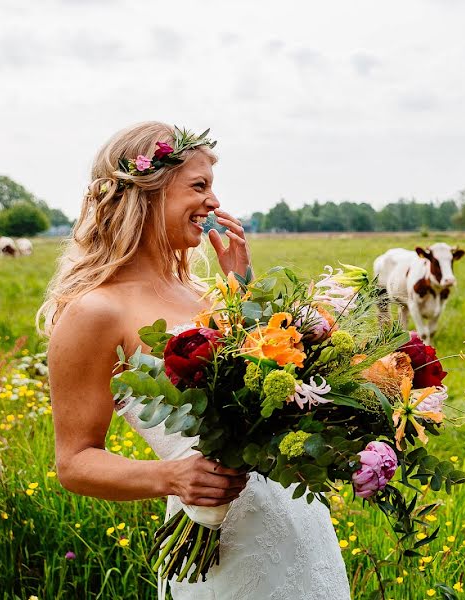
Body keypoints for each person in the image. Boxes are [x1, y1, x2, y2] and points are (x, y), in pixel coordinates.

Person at [39, 122, 350, 599]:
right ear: (145, 195)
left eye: (212, 187)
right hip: (222, 545)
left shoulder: (210, 293)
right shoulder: (95, 312)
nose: (214, 203)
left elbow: (270, 394)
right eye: (198, 187)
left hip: (299, 525)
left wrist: (244, 287)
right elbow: (74, 462)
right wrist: (172, 477)